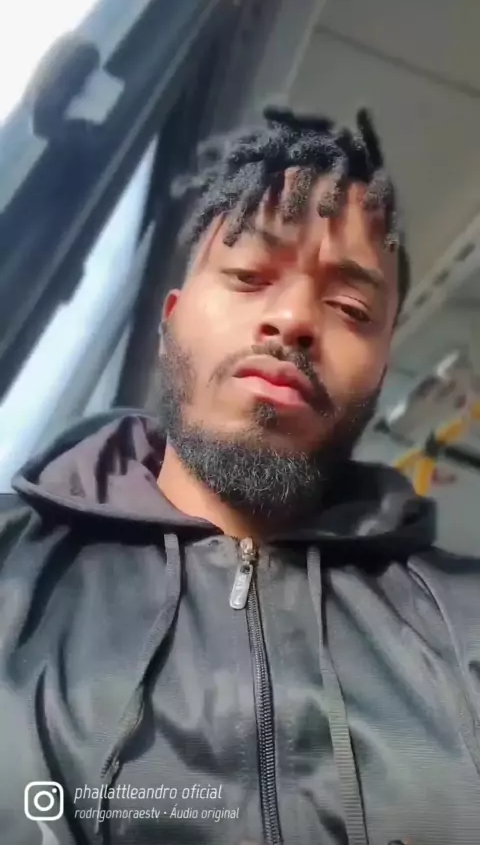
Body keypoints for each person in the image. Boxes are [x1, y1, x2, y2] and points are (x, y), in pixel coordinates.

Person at [1, 105, 478, 845]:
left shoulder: (465, 621)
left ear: (383, 371)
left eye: (350, 306)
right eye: (250, 275)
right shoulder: (10, 568)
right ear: (170, 322)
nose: (292, 319)